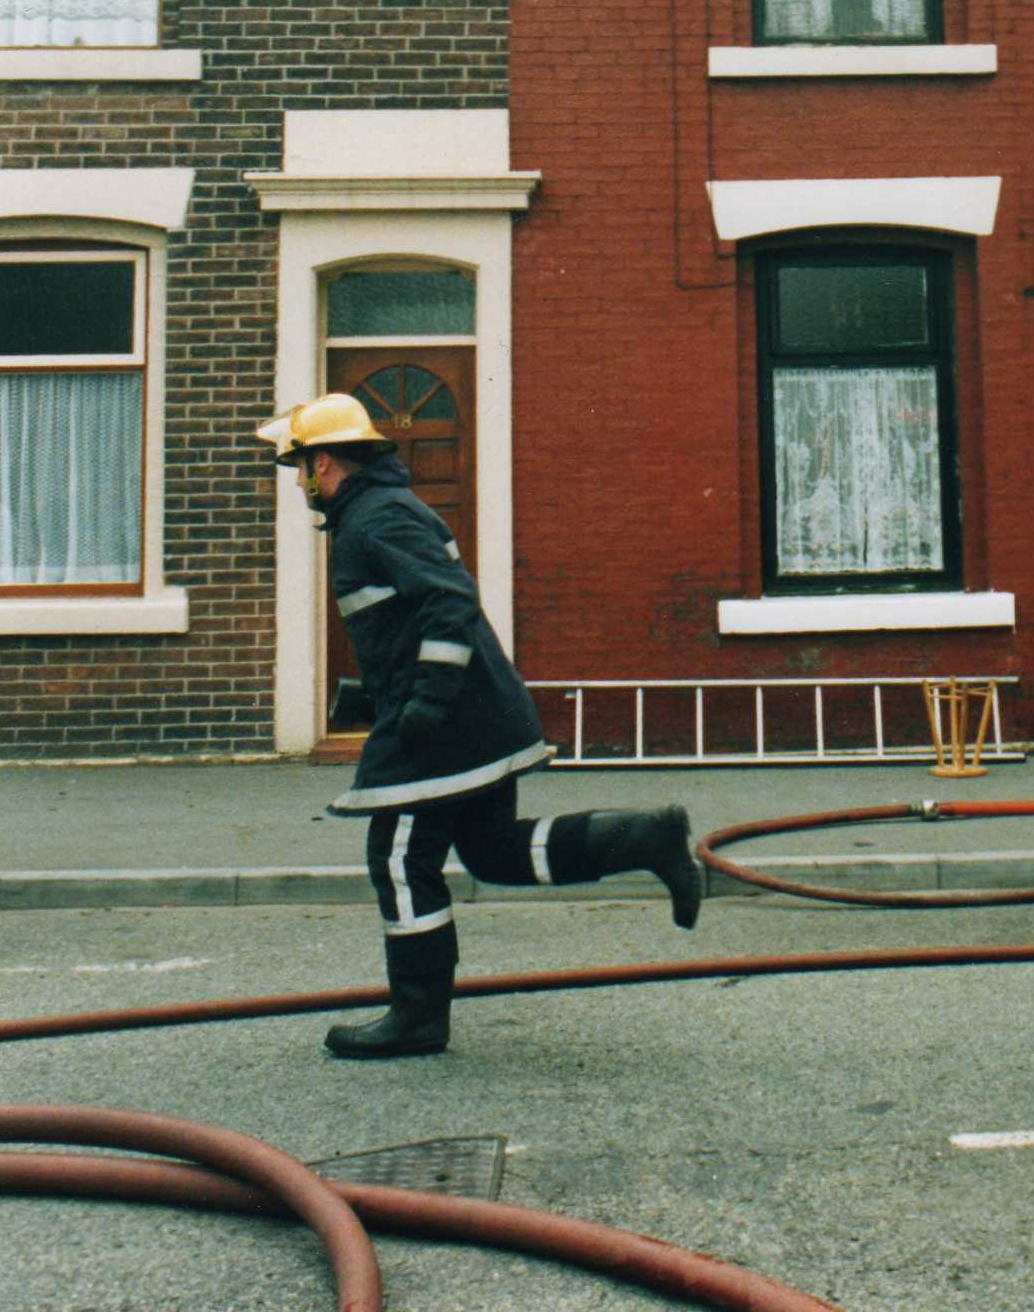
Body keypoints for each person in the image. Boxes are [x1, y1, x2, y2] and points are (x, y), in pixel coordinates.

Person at [257, 392, 702, 1062]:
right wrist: (373, 694)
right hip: (479, 714)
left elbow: (449, 602)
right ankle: (644, 836)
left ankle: (416, 1016)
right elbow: (408, 621)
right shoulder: (385, 513)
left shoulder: (372, 521)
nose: (296, 482)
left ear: (323, 463)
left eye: (298, 467)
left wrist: (425, 701)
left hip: (445, 726)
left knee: (401, 860)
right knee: (491, 851)